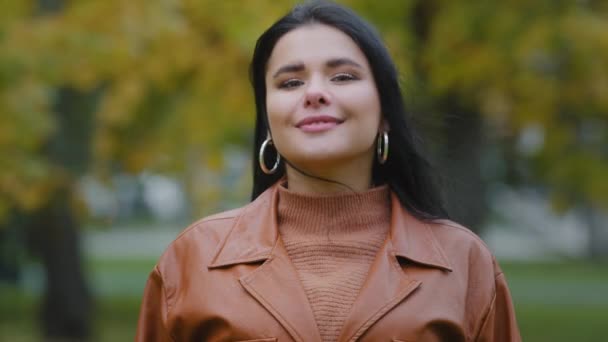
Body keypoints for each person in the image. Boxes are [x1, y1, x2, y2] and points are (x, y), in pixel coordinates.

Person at [136, 1, 521, 341]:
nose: (315, 93)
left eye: (343, 76)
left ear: (385, 113)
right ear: (268, 120)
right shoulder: (194, 258)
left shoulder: (463, 261)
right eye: (290, 82)